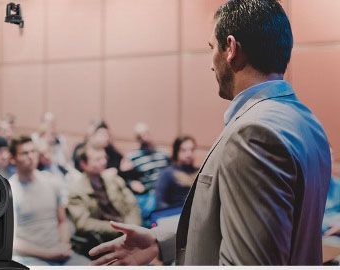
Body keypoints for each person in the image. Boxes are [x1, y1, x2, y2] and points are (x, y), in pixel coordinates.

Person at [89, 0, 331, 265]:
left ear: (231, 48)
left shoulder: (253, 134)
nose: (211, 64)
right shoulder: (307, 122)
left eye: (211, 48)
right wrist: (162, 242)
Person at [8, 136, 89, 266]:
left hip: (61, 253)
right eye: (25, 153)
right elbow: (10, 240)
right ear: (13, 159)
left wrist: (64, 245)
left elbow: (62, 221)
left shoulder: (51, 181)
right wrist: (48, 253)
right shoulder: (10, 190)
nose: (31, 156)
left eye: (33, 151)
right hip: (31, 258)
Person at [67, 146, 140, 256]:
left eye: (104, 158)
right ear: (83, 164)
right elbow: (84, 223)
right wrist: (120, 228)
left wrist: (132, 228)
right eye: (97, 159)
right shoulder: (76, 190)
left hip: (129, 233)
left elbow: (132, 205)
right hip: (104, 240)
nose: (104, 162)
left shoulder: (114, 180)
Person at [121, 122, 170, 225]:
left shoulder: (163, 153)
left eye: (145, 134)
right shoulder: (133, 156)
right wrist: (131, 183)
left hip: (165, 191)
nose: (144, 138)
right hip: (148, 194)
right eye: (139, 136)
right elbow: (124, 178)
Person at [155, 136, 198, 209]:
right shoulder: (167, 173)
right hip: (176, 216)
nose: (189, 154)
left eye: (192, 150)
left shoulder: (199, 172)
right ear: (176, 151)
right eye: (184, 150)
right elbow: (160, 201)